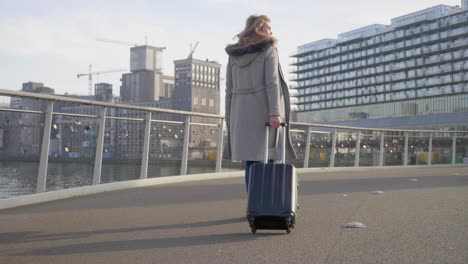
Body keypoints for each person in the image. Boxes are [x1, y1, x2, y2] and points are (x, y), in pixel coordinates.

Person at [224, 15, 296, 191]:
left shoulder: (234, 55)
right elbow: (272, 83)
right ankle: (268, 204)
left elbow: (228, 89)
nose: (271, 32)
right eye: (268, 28)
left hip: (239, 111)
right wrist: (275, 113)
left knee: (251, 159)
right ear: (259, 29)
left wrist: (228, 117)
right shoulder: (269, 50)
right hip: (263, 109)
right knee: (269, 156)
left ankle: (254, 204)